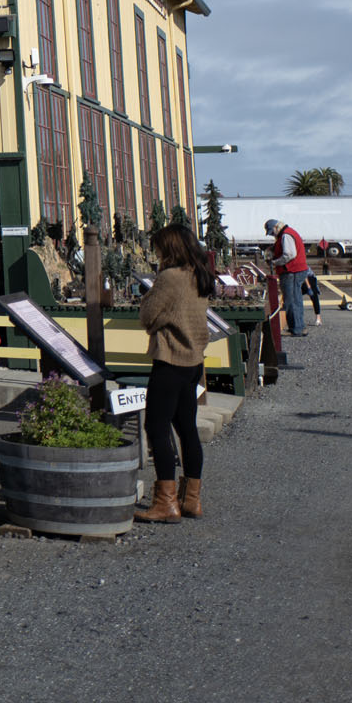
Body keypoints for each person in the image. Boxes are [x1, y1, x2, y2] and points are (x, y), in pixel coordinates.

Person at [135, 221, 216, 522]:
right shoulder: (199, 275)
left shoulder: (170, 277)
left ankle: (165, 503)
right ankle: (191, 500)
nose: (156, 254)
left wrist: (153, 310)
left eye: (158, 248)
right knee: (187, 430)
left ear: (169, 248)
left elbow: (147, 316)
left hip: (170, 361)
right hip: (194, 362)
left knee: (156, 427)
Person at [266, 218, 310, 337]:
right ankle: (299, 327)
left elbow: (289, 254)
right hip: (296, 270)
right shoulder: (288, 233)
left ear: (276, 227)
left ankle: (296, 329)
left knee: (291, 300)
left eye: (272, 232)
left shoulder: (286, 235)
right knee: (296, 299)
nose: (273, 235)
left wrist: (275, 262)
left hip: (292, 271)